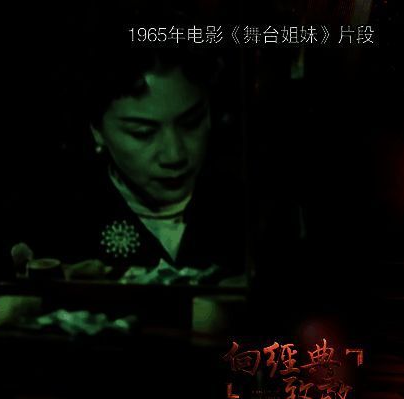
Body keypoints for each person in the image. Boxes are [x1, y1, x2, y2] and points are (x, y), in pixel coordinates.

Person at [12, 10, 246, 281]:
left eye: (191, 123)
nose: (174, 155)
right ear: (97, 130)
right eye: (142, 133)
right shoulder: (58, 220)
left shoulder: (246, 206)